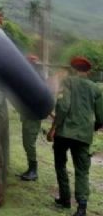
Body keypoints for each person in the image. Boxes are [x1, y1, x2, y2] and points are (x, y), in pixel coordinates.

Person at [47, 56, 103, 216]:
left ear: (73, 69)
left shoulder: (68, 82)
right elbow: (100, 117)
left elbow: (63, 107)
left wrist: (53, 128)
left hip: (64, 133)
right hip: (83, 135)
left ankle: (65, 199)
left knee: (60, 164)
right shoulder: (95, 89)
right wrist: (92, 128)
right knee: (82, 171)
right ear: (88, 71)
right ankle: (82, 207)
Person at [19, 54, 43, 181]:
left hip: (33, 115)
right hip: (29, 114)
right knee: (26, 142)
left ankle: (33, 171)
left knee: (29, 143)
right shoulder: (32, 76)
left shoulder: (36, 77)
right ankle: (31, 169)